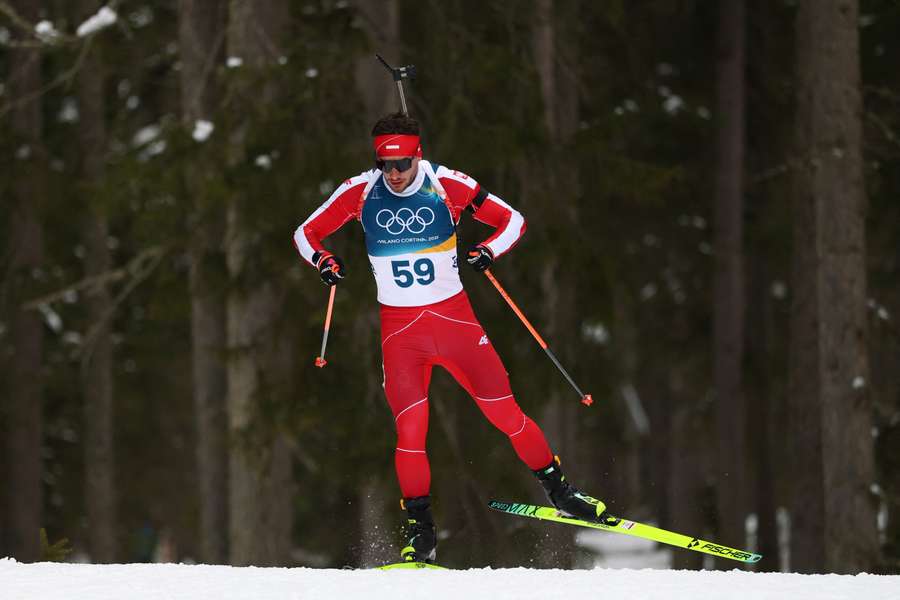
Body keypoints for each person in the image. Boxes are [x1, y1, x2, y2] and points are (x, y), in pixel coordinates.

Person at [293, 112, 606, 564]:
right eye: (386, 164)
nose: (395, 174)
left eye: (402, 163)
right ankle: (421, 532)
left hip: (456, 324)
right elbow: (306, 233)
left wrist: (487, 249)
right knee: (410, 431)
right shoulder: (360, 191)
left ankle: (561, 492)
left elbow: (512, 221)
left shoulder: (448, 184)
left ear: (417, 154)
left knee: (505, 413)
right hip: (402, 334)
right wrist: (323, 261)